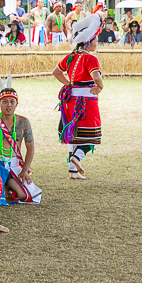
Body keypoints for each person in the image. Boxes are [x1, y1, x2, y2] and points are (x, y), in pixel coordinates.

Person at [54, 13, 105, 179]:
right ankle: (77, 157)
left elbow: (56, 72)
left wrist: (69, 83)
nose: (96, 44)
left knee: (74, 135)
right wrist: (100, 86)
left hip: (71, 100)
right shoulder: (91, 59)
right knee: (92, 135)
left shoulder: (70, 57)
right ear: (88, 42)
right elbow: (96, 76)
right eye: (95, 41)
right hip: (86, 100)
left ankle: (73, 172)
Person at [0, 87, 41, 205]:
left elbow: (30, 148)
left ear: (16, 104)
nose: (9, 105)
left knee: (25, 195)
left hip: (15, 164)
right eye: (5, 101)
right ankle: (5, 187)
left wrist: (24, 171)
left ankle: (8, 187)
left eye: (12, 101)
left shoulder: (24, 122)